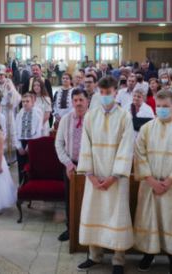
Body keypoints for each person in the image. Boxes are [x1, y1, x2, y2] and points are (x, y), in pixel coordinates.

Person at [76, 75, 134, 274]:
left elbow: (127, 148)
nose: (105, 96)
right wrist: (90, 175)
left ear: (116, 93)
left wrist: (114, 177)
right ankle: (95, 256)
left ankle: (118, 260)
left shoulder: (125, 117)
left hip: (115, 178)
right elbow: (86, 146)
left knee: (117, 215)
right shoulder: (91, 116)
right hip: (95, 176)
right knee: (94, 213)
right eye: (101, 93)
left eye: (108, 93)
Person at [133, 90, 172, 274]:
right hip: (149, 186)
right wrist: (152, 181)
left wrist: (167, 182)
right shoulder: (146, 128)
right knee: (149, 220)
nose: (161, 109)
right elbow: (139, 155)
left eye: (165, 106)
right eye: (158, 106)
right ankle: (148, 254)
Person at [55, 88, 89, 242]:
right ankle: (71, 228)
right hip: (70, 166)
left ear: (87, 101)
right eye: (75, 100)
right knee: (70, 198)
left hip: (90, 166)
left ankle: (88, 230)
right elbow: (59, 144)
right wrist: (68, 163)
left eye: (81, 100)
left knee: (88, 198)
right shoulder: (66, 119)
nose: (78, 103)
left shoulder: (94, 119)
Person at [0, 64, 21, 163]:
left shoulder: (10, 85)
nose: (0, 77)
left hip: (7, 113)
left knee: (9, 132)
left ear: (5, 75)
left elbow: (17, 98)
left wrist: (10, 92)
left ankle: (10, 158)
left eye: (1, 75)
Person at [15, 93, 43, 185]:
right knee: (21, 166)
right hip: (21, 143)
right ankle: (22, 185)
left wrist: (28, 146)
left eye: (27, 101)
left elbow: (37, 132)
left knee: (32, 166)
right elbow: (15, 131)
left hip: (31, 143)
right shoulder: (19, 115)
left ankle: (32, 184)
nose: (25, 103)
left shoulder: (36, 115)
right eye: (23, 102)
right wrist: (19, 146)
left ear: (32, 102)